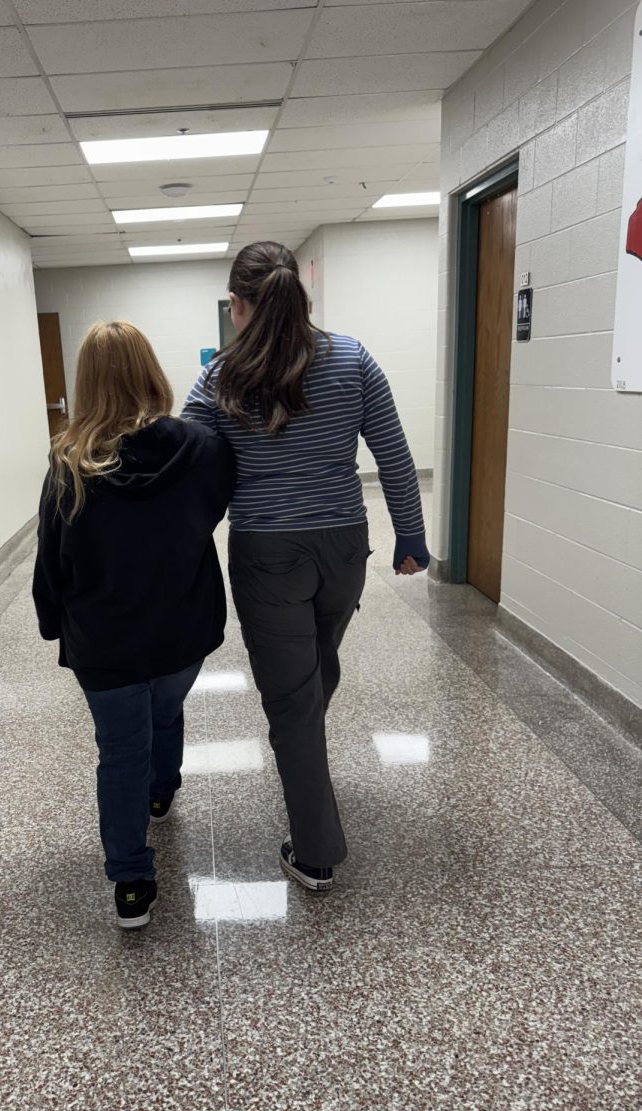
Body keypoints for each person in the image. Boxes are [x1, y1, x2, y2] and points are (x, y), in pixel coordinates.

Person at [184, 241, 428, 894]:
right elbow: (396, 458)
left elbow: (179, 465)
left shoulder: (219, 377)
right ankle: (306, 762)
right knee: (317, 667)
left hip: (268, 553)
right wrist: (412, 536)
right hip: (344, 546)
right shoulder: (352, 358)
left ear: (237, 306)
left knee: (295, 698)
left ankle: (316, 854)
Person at [33, 321, 234, 929]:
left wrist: (52, 623)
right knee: (167, 710)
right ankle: (162, 787)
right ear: (151, 369)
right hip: (183, 628)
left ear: (87, 382)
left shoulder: (69, 463)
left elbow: (52, 556)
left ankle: (130, 883)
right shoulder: (201, 448)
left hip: (105, 641)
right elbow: (213, 511)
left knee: (120, 750)